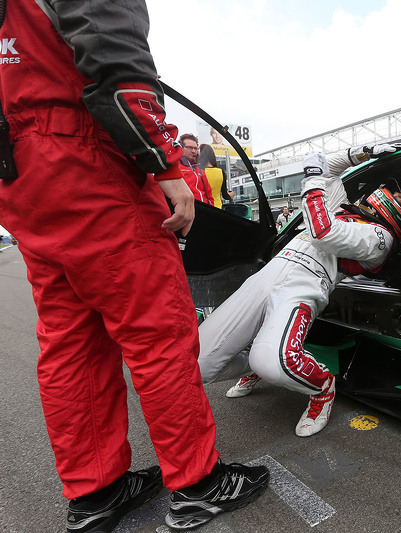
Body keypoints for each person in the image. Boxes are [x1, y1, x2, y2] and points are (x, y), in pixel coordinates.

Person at [0, 2, 269, 532]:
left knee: (69, 341)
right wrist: (164, 161)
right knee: (158, 333)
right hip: (85, 158)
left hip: (19, 173)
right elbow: (113, 54)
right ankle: (197, 485)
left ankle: (95, 493)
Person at [197, 142, 401, 437]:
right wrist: (360, 152)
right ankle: (257, 361)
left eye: (396, 194)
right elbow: (326, 168)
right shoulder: (344, 208)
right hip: (271, 271)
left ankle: (322, 388)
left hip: (306, 282)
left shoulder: (381, 238)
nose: (385, 193)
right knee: (196, 364)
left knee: (275, 361)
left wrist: (312, 179)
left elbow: (322, 231)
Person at [179, 134, 215, 205]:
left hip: (205, 212)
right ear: (181, 148)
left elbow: (209, 194)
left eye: (195, 148)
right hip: (187, 211)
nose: (193, 151)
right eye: (190, 147)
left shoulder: (200, 171)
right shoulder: (176, 168)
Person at [198, 143, 232, 208]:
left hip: (203, 207)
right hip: (218, 208)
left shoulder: (198, 172)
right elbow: (225, 195)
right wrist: (230, 195)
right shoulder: (220, 172)